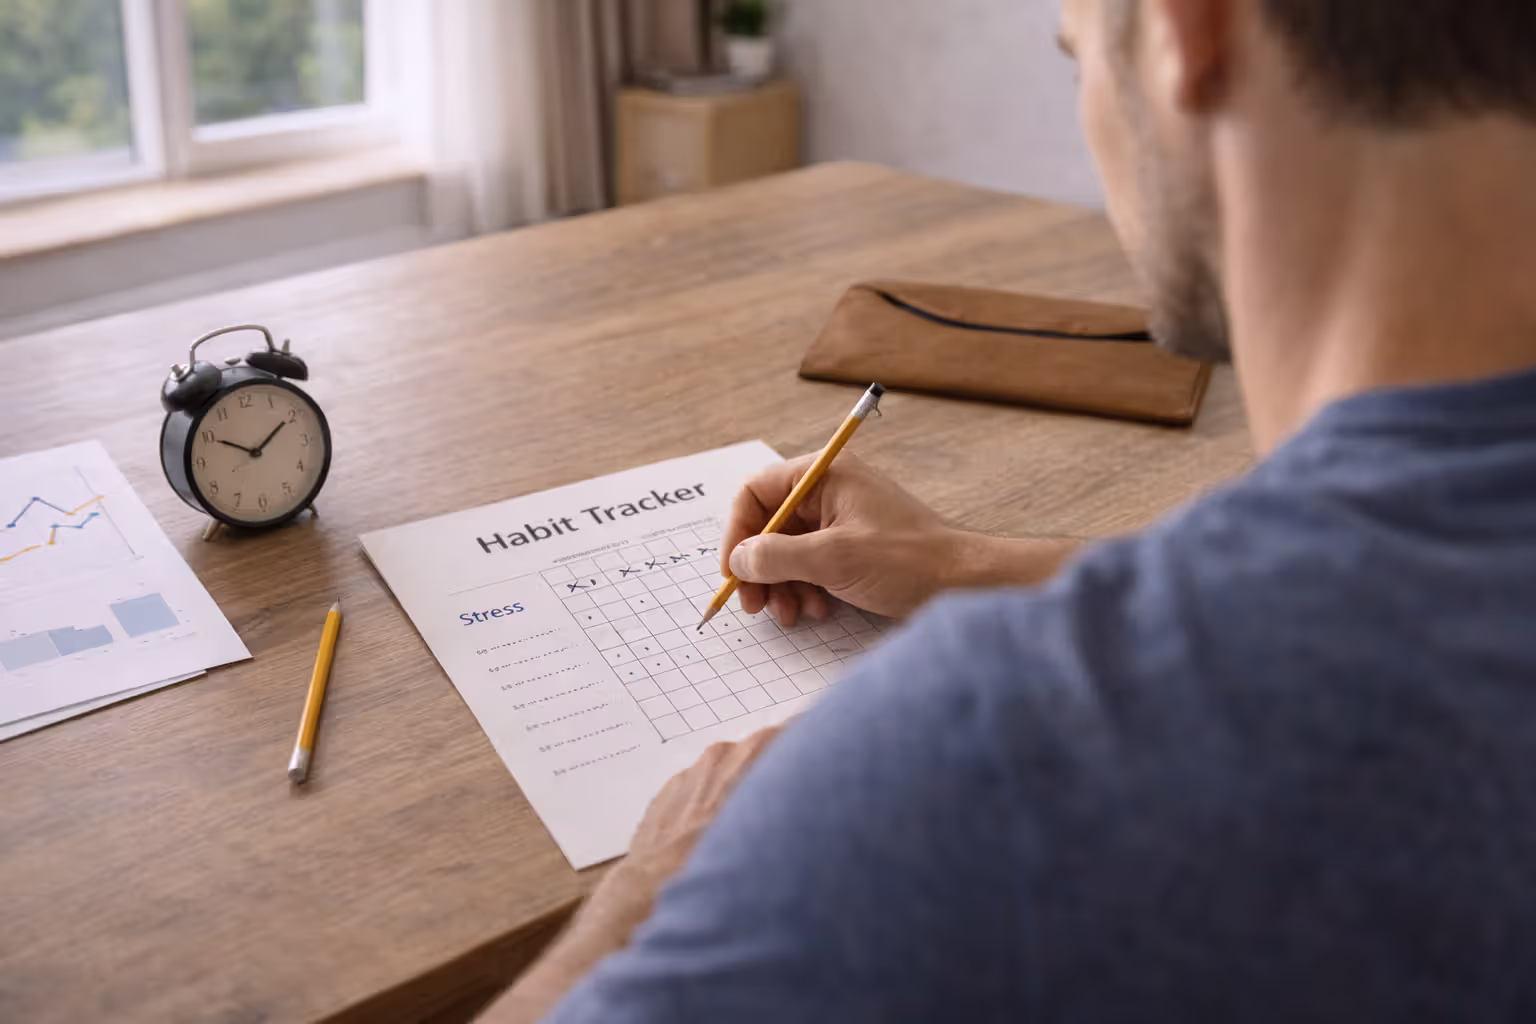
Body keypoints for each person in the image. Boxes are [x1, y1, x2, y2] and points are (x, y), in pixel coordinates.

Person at [485, 0, 1536, 1019]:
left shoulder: (977, 760)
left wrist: (644, 894)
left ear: (1187, 27)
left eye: (1079, 56)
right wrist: (959, 562)